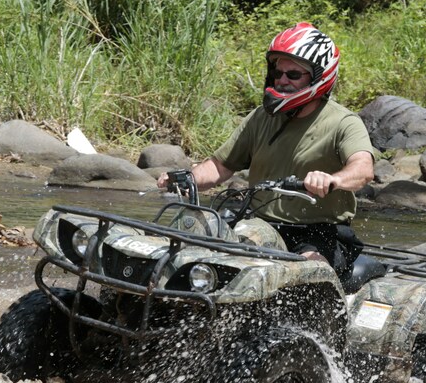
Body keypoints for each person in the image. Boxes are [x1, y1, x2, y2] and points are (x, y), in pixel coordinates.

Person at [158, 22, 375, 281]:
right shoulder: (261, 117)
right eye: (278, 72)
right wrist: (187, 179)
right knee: (194, 243)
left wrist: (333, 179)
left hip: (318, 234)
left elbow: (363, 169)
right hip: (259, 226)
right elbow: (220, 166)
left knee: (305, 276)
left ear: (319, 77)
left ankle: (306, 321)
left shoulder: (343, 122)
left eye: (293, 75)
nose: (282, 80)